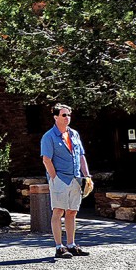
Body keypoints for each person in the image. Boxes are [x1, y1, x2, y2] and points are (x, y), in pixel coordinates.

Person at [40, 103, 92, 259]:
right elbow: (46, 159)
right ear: (55, 117)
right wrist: (54, 178)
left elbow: (81, 155)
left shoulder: (74, 134)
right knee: (58, 211)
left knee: (72, 212)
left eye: (68, 115)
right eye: (64, 115)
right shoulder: (48, 136)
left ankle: (71, 244)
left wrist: (87, 176)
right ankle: (58, 247)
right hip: (60, 179)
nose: (67, 118)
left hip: (75, 178)